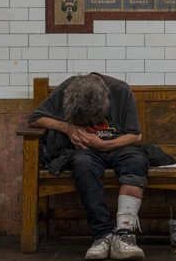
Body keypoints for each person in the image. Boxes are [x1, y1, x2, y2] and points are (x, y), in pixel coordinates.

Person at [28, 73, 147, 260]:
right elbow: (35, 118)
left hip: (120, 146)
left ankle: (125, 236)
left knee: (137, 161)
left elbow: (135, 136)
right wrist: (67, 127)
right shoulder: (69, 87)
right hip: (86, 151)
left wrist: (104, 145)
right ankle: (102, 236)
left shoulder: (121, 90)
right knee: (81, 163)